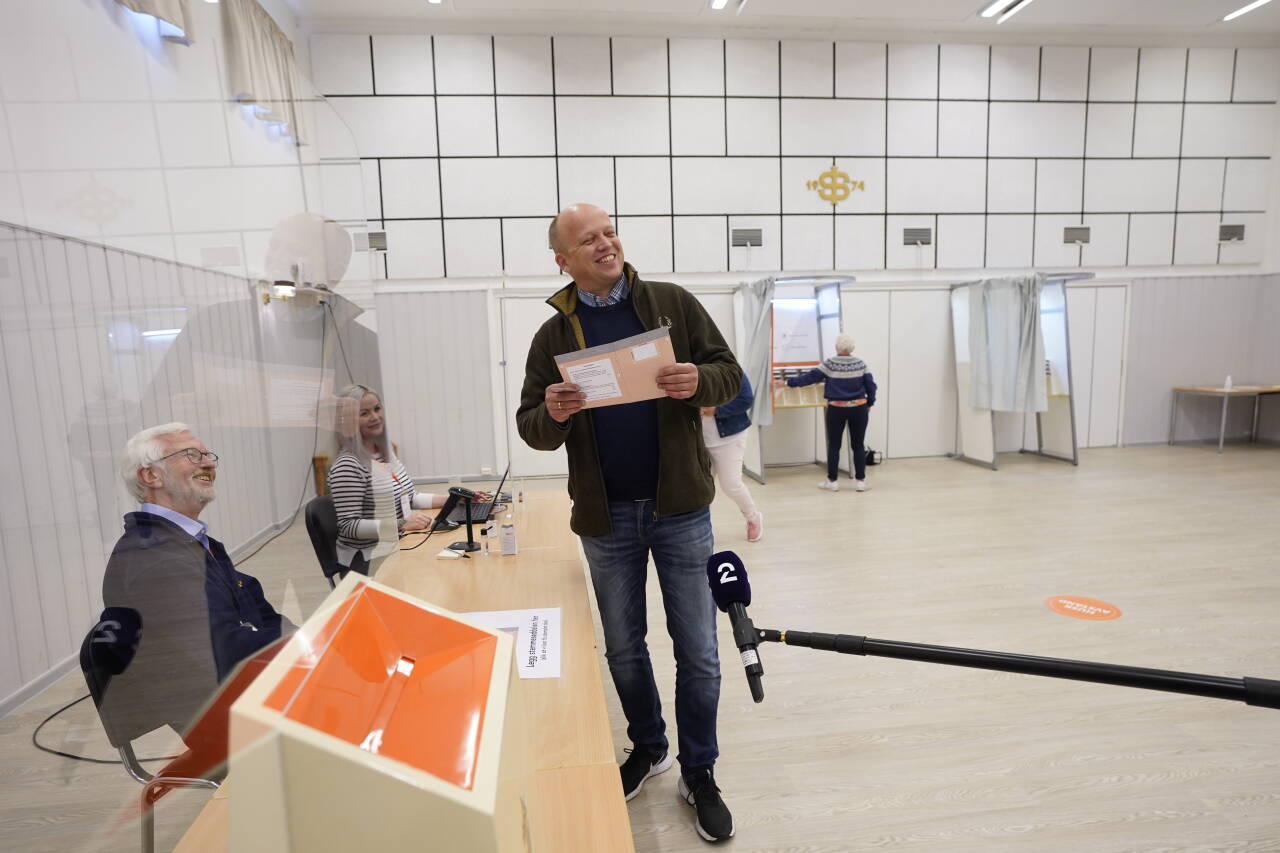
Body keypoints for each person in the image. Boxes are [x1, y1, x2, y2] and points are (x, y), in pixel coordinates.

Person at [516, 203, 742, 843]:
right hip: (605, 517)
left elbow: (730, 375)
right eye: (587, 239)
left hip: (681, 511)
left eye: (609, 232)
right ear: (562, 260)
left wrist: (699, 379)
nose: (604, 243)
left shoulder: (671, 303)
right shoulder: (552, 337)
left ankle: (700, 771)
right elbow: (531, 427)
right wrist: (554, 413)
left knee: (699, 649)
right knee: (622, 646)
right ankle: (649, 746)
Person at [102, 423, 289, 735]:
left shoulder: (192, 543)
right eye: (192, 455)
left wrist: (310, 642)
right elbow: (224, 649)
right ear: (151, 476)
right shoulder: (153, 560)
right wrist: (308, 647)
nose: (208, 463)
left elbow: (253, 608)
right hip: (223, 721)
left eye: (208, 455)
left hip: (244, 695)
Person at [325, 384, 449, 575]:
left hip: (396, 545)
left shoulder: (384, 453)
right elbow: (349, 525)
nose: (375, 417)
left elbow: (410, 498)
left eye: (377, 409)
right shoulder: (347, 465)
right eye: (364, 413)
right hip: (367, 561)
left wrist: (450, 500)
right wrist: (400, 524)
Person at [781, 334, 877, 492]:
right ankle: (861, 482)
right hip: (859, 409)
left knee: (834, 445)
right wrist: (870, 402)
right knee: (858, 445)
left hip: (836, 409)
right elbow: (871, 386)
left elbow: (809, 378)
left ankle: (832, 481)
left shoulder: (830, 364)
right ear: (852, 348)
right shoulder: (861, 364)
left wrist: (787, 382)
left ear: (837, 347)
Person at [700, 374, 763, 542]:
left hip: (731, 437)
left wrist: (717, 410)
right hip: (699, 439)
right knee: (701, 487)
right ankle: (700, 529)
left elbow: (746, 400)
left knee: (731, 485)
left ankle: (753, 517)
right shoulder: (689, 370)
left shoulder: (732, 370)